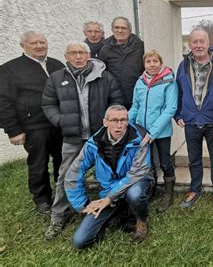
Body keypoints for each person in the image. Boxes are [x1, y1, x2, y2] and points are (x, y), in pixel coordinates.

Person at [41, 41, 123, 239]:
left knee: (112, 172)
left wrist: (110, 124)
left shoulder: (104, 77)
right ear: (66, 56)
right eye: (73, 53)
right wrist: (60, 120)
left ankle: (114, 210)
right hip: (72, 137)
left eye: (81, 52)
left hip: (100, 136)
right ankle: (59, 215)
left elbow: (117, 100)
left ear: (88, 55)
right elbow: (48, 103)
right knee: (66, 175)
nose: (78, 56)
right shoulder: (57, 78)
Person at [64, 105, 154, 248]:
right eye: (114, 120)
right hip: (109, 192)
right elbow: (73, 173)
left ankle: (141, 220)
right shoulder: (94, 143)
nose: (119, 125)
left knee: (135, 194)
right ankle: (118, 209)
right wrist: (83, 205)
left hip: (135, 183)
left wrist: (110, 198)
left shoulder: (139, 140)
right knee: (80, 241)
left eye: (123, 120)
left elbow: (138, 173)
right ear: (105, 122)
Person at [0, 31, 64, 214]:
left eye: (42, 42)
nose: (39, 46)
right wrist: (13, 130)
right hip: (34, 125)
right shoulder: (10, 69)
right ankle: (42, 199)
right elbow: (2, 101)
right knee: (38, 163)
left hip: (59, 123)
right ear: (23, 46)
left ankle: (64, 191)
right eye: (33, 43)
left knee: (63, 159)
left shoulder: (56, 64)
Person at [175, 27, 213, 211]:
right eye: (195, 42)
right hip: (191, 120)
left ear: (208, 43)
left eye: (202, 41)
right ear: (189, 44)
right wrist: (178, 114)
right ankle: (195, 189)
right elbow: (179, 92)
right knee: (194, 159)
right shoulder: (183, 65)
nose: (198, 45)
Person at [128, 50, 178, 213]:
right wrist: (126, 123)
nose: (152, 64)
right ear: (144, 64)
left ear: (160, 63)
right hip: (141, 129)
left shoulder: (169, 81)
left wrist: (153, 132)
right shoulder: (140, 82)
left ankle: (168, 193)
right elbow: (135, 106)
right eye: (148, 61)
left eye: (155, 61)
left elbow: (170, 108)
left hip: (161, 131)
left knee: (164, 161)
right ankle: (150, 188)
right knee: (146, 161)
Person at [99, 16, 144, 109]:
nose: (119, 31)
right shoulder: (105, 49)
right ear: (112, 29)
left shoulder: (141, 47)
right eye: (116, 27)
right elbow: (102, 73)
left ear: (130, 30)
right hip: (115, 97)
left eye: (123, 28)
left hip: (137, 95)